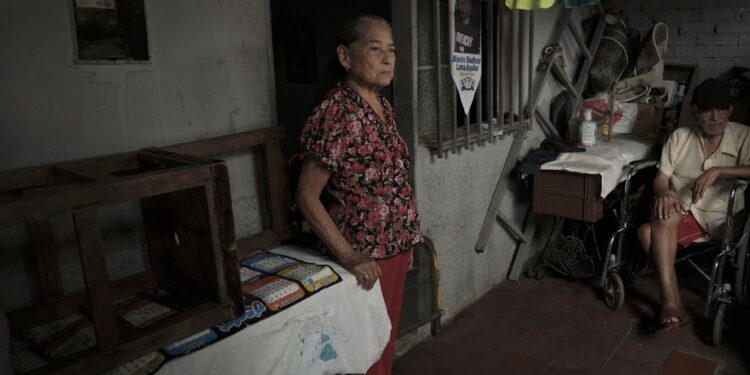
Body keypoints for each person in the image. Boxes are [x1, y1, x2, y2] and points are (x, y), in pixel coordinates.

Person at [295, 15, 423, 375]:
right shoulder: (337, 110)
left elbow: (396, 179)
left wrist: (408, 239)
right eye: (375, 49)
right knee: (360, 353)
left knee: (383, 343)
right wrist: (349, 256)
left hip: (394, 248)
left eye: (392, 51)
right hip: (364, 258)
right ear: (345, 56)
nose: (387, 59)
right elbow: (306, 196)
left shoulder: (383, 107)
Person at [637, 78, 750, 334]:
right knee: (656, 219)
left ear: (730, 110)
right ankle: (671, 304)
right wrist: (664, 192)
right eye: (707, 110)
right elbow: (661, 178)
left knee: (646, 234)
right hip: (683, 213)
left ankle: (672, 303)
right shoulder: (680, 137)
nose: (716, 117)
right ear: (695, 111)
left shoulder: (744, 135)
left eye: (723, 109)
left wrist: (720, 171)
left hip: (721, 219)